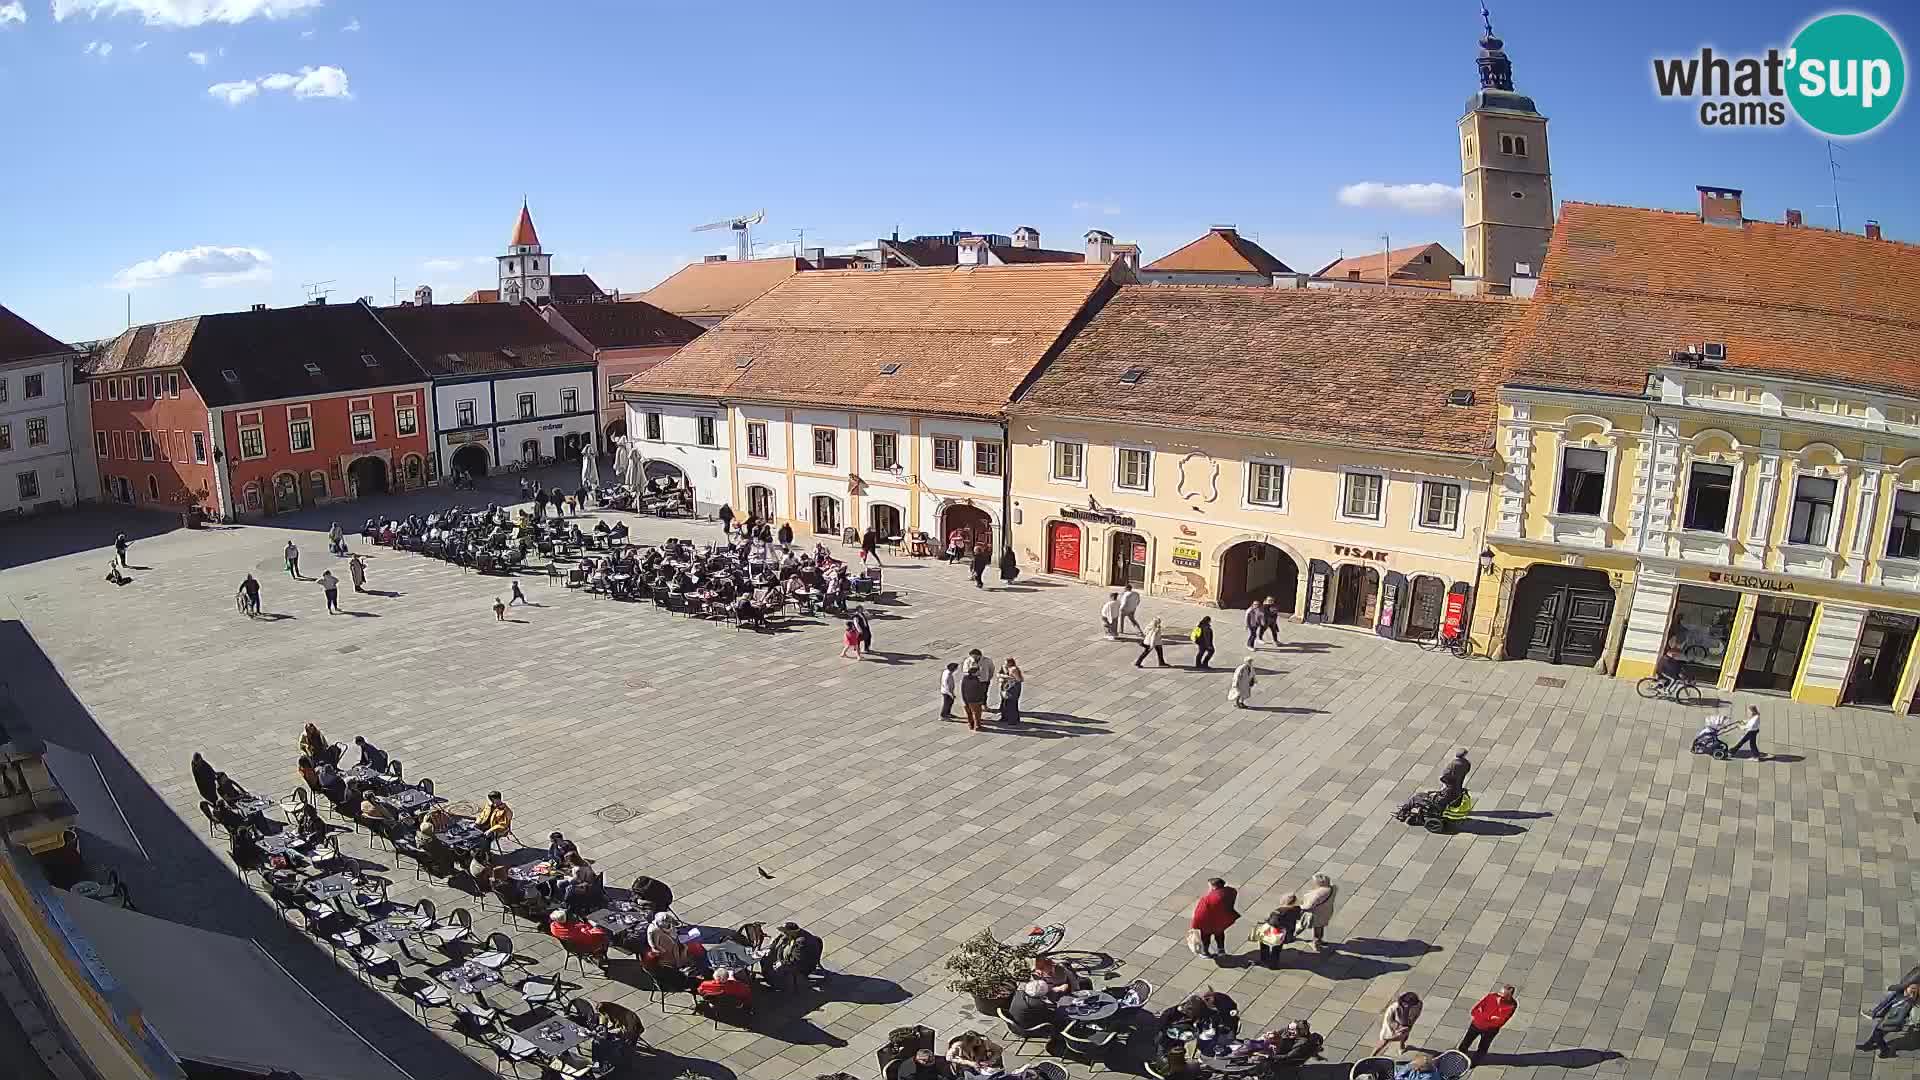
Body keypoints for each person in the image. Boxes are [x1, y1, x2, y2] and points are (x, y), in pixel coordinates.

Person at [1458, 985, 1518, 1062]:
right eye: (1499, 992)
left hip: (1490, 1031)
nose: (1498, 995)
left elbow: (1500, 1022)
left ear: (1509, 996)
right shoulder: (1491, 997)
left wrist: (1482, 1015)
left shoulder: (1511, 1005)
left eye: (1502, 995)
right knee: (1465, 1043)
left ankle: (1475, 1062)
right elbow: (1474, 1011)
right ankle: (1458, 1058)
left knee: (1483, 1047)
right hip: (1476, 1025)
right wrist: (1490, 1017)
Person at [1860, 983, 1919, 1057]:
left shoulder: (1906, 1004)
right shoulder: (1901, 996)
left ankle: (1885, 1050)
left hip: (1891, 1023)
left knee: (1877, 1034)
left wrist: (1885, 1023)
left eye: (1909, 988)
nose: (1906, 988)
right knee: (1876, 1033)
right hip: (1887, 1018)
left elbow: (1899, 1019)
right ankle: (1868, 1045)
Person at [1190, 878, 1239, 959]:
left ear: (1214, 887)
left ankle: (1205, 952)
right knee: (1219, 934)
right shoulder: (1231, 892)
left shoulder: (1207, 899)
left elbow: (1200, 913)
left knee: (1205, 936)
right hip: (1222, 919)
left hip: (1209, 922)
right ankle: (1221, 951)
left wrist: (1194, 925)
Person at [766, 920, 823, 989]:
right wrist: (770, 948)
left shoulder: (801, 942)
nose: (784, 933)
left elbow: (796, 960)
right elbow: (778, 939)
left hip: (802, 965)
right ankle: (768, 975)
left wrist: (782, 963)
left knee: (779, 969)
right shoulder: (790, 934)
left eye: (785, 932)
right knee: (765, 958)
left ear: (792, 932)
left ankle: (779, 984)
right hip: (788, 957)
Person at [1254, 895, 1300, 966]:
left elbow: (1273, 922)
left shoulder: (1279, 911)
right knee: (1277, 948)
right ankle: (1274, 963)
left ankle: (1265, 960)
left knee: (1263, 942)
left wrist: (1267, 921)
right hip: (1287, 933)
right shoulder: (1296, 909)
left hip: (1276, 933)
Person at [1372, 992, 1422, 1057]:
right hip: (1394, 1026)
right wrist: (1397, 1027)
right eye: (1406, 1004)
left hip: (1407, 1024)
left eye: (1411, 1004)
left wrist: (1410, 1025)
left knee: (1404, 1037)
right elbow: (1389, 1020)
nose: (1408, 1006)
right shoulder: (1393, 1007)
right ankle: (1372, 1056)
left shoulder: (1418, 1004)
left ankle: (1402, 1046)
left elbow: (1416, 1014)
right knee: (1384, 1041)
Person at [1297, 873, 1336, 950]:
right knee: (1321, 926)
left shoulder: (1318, 894)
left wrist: (1299, 907)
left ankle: (1316, 943)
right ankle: (1319, 940)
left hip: (1317, 914)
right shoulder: (1333, 888)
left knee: (1317, 927)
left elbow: (1308, 906)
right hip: (1327, 911)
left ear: (1318, 883)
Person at [960, 663, 988, 732]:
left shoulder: (965, 678)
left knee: (969, 713)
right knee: (977, 714)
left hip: (966, 699)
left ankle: (970, 725)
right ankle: (977, 726)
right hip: (975, 700)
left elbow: (962, 689)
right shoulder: (977, 681)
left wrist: (964, 699)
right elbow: (980, 692)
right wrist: (982, 700)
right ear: (975, 673)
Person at [1000, 658, 1024, 724]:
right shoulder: (1008, 668)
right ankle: (1010, 718)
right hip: (1010, 687)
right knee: (1008, 704)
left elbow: (1019, 679)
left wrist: (1009, 678)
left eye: (1006, 663)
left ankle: (1012, 720)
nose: (1005, 664)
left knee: (1012, 704)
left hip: (1013, 688)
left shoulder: (1013, 669)